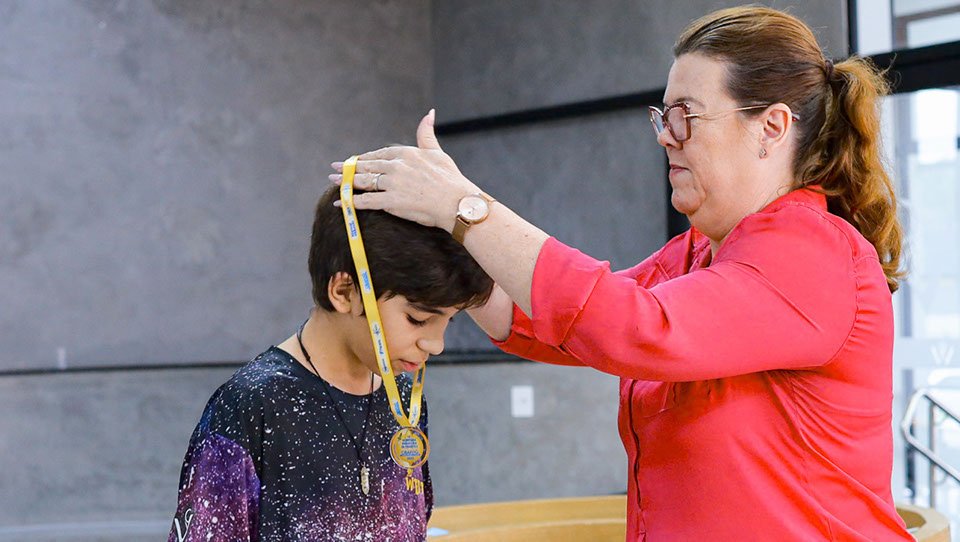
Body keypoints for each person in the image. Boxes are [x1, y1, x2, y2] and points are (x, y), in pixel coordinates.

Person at [331, 5, 913, 541]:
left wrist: (465, 209)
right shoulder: (695, 254)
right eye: (664, 116)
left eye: (686, 117)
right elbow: (564, 320)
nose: (666, 136)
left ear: (772, 127)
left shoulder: (812, 252)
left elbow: (635, 326)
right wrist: (452, 231)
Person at [167, 186, 493, 541]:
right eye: (418, 319)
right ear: (344, 292)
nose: (436, 344)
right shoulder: (252, 404)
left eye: (449, 321)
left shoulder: (403, 398)